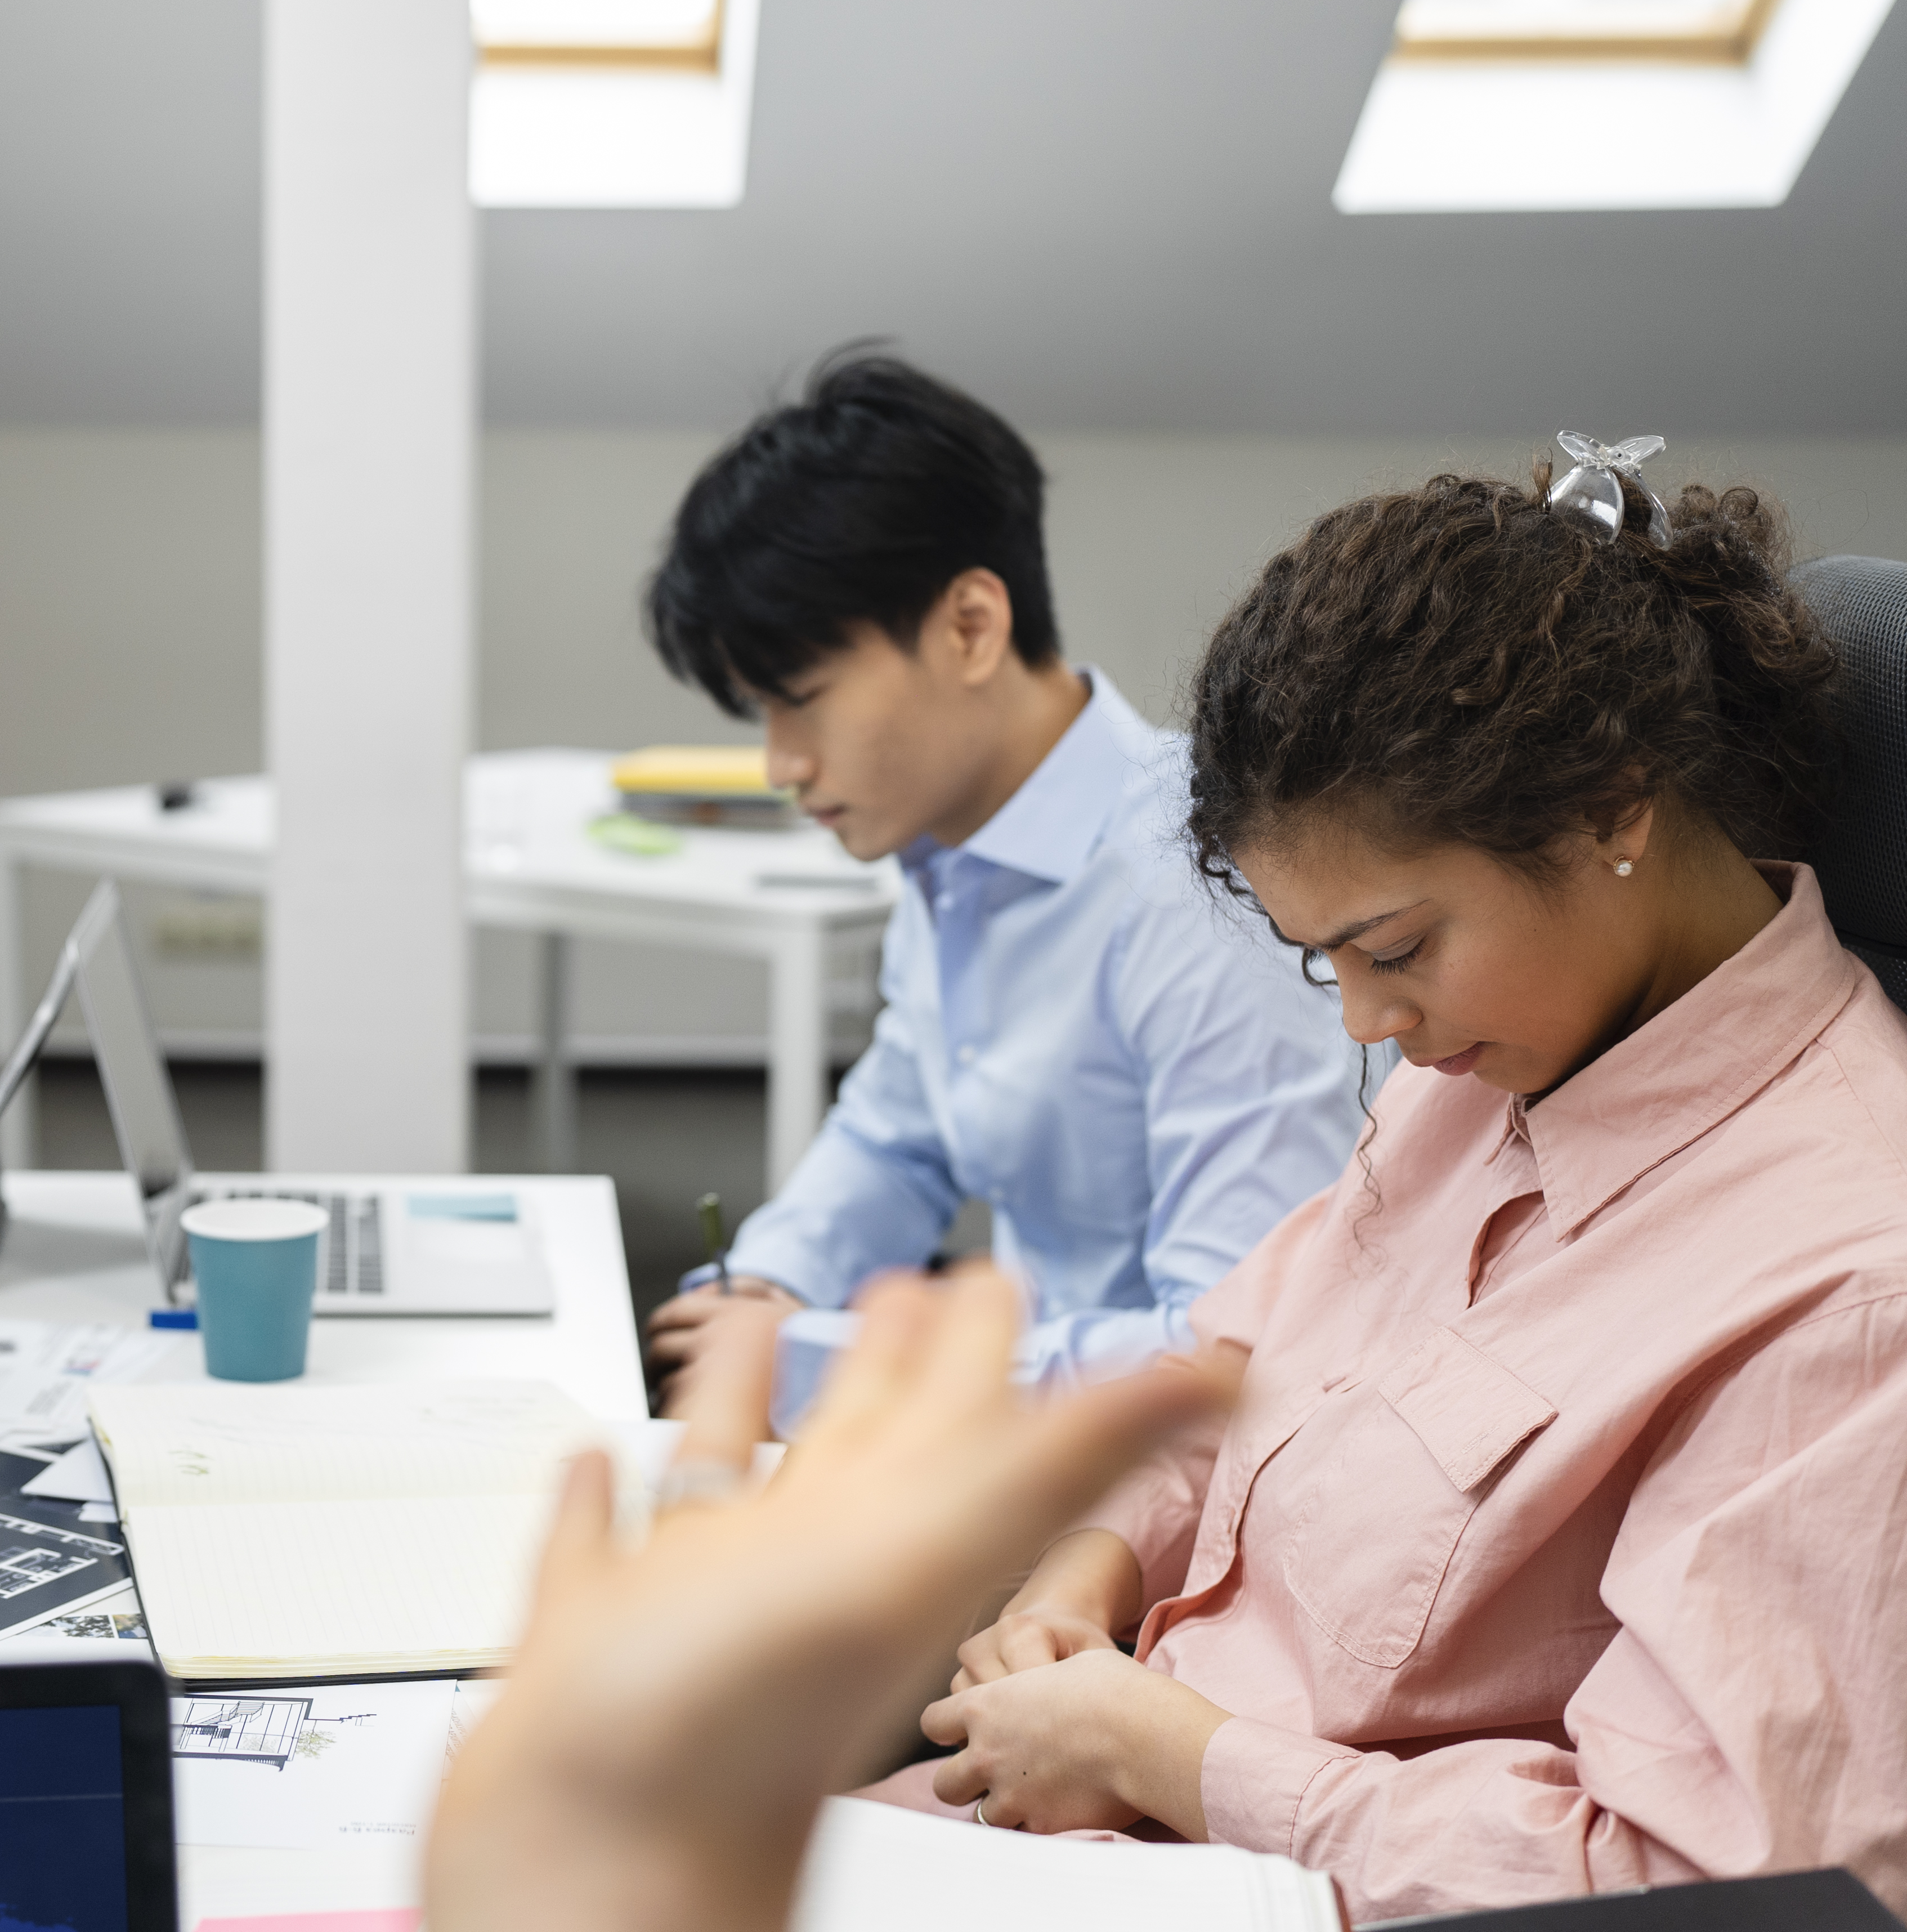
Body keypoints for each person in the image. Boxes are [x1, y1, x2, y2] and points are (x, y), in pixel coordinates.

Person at [903, 467, 1907, 1919]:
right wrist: (1086, 1570)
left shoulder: (1845, 1283)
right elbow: (1233, 1369)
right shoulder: (1494, 1063)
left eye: (1395, 945)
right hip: (1084, 1828)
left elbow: (1702, 1881)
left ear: (1611, 807)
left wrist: (1178, 1759)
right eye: (1327, 962)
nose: (1364, 1025)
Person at [641, 352, 1364, 1414]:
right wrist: (772, 1279)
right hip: (1039, 1431)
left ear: (971, 626)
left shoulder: (1203, 893)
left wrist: (817, 1356)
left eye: (801, 699)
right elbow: (899, 1132)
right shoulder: (948, 849)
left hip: (1170, 1497)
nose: (781, 765)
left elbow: (1232, 1357)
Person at [428, 1266, 1227, 1932]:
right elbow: (1212, 1414)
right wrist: (1065, 1591)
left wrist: (1157, 1747)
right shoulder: (1324, 1219)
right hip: (1017, 1770)